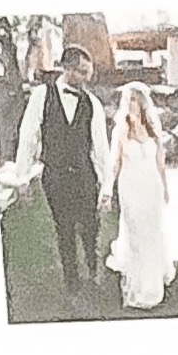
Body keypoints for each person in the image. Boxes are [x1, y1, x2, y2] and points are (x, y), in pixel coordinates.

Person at [11, 45, 115, 303]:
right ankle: (72, 281)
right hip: (55, 177)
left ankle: (93, 271)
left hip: (84, 175)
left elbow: (101, 148)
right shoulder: (41, 96)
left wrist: (106, 189)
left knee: (90, 227)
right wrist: (22, 179)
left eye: (87, 74)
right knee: (64, 229)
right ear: (66, 67)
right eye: (80, 72)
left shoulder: (92, 103)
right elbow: (28, 137)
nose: (84, 79)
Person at [109, 82, 173, 311]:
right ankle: (139, 286)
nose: (132, 104)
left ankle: (154, 281)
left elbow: (160, 163)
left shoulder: (153, 129)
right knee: (136, 233)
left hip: (151, 188)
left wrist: (164, 189)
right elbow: (115, 163)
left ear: (144, 103)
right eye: (129, 100)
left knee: (152, 233)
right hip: (131, 188)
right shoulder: (121, 130)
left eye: (136, 100)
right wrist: (107, 191)